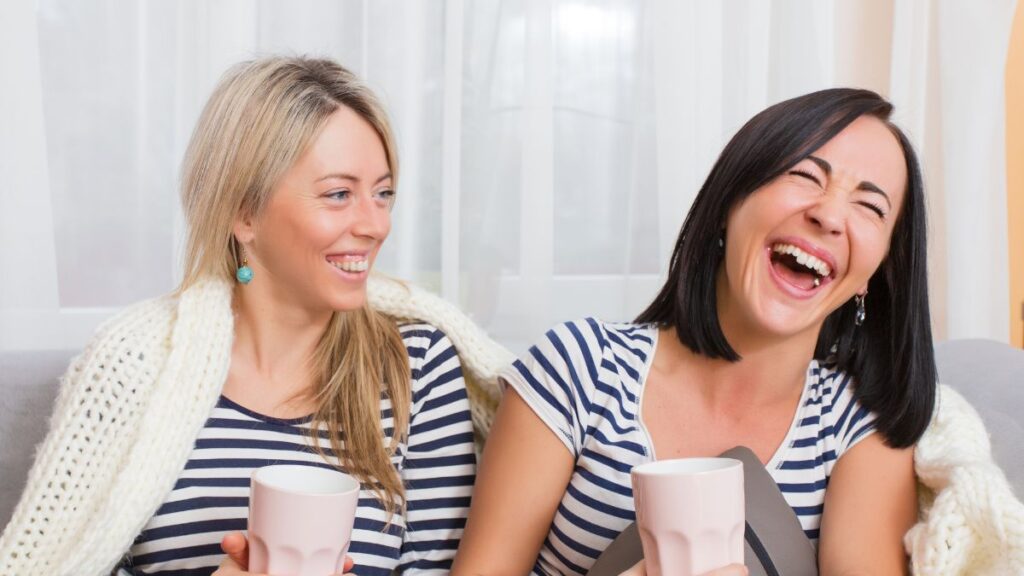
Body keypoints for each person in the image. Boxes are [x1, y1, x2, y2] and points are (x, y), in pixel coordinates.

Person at [0, 56, 481, 576]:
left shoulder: (419, 364)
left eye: (383, 193)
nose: (374, 224)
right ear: (244, 214)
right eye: (339, 194)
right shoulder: (133, 367)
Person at [453, 88, 937, 575]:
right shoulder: (581, 369)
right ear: (730, 201)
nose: (830, 215)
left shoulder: (858, 424)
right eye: (806, 176)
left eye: (870, 207)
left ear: (874, 273)